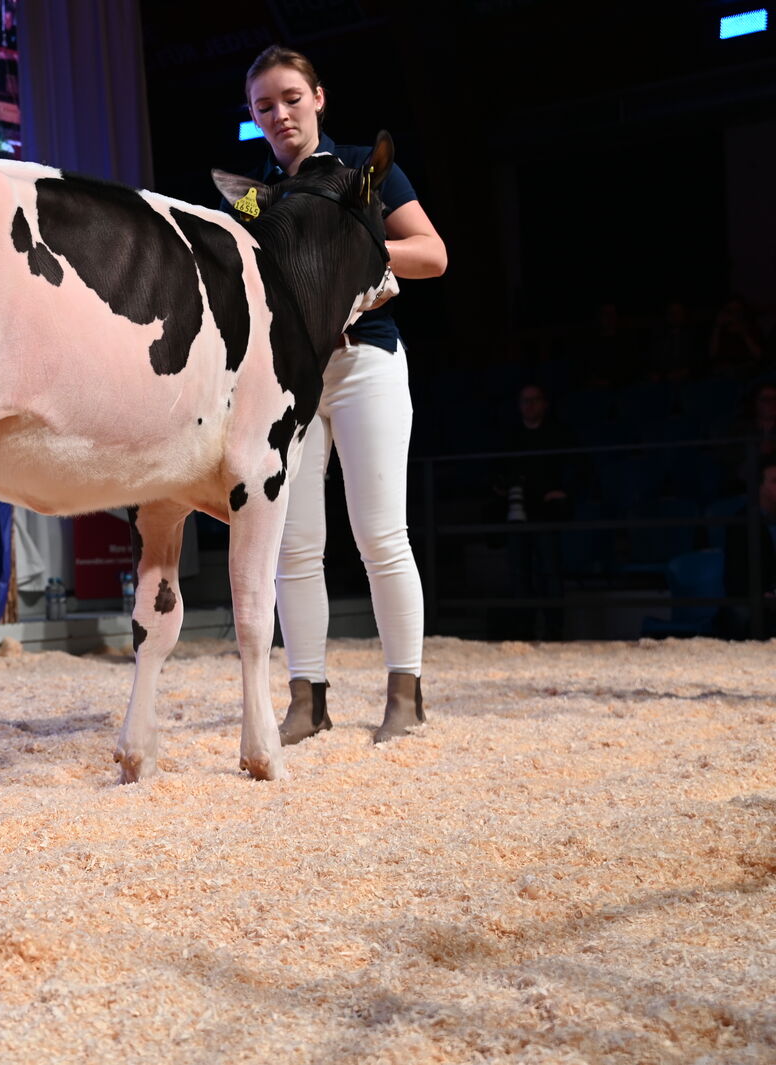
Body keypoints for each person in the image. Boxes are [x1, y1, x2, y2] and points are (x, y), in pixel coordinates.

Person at [241, 45, 448, 745]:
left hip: (368, 362)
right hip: (295, 378)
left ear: (318, 97)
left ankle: (405, 695)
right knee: (293, 545)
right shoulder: (258, 193)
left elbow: (434, 251)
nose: (280, 113)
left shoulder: (365, 170)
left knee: (380, 535)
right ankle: (307, 698)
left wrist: (365, 259)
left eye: (291, 97)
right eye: (264, 105)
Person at [491, 384, 575, 640]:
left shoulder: (557, 434)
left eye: (534, 400)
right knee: (520, 575)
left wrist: (562, 492)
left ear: (544, 403)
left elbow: (574, 468)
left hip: (546, 514)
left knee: (549, 573)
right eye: (525, 401)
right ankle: (524, 633)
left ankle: (554, 633)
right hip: (517, 515)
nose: (529, 405)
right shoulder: (512, 437)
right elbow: (499, 473)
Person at [721, 456, 776, 638]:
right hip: (755, 600)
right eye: (775, 481)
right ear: (759, 487)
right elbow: (736, 578)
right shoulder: (742, 524)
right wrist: (764, 595)